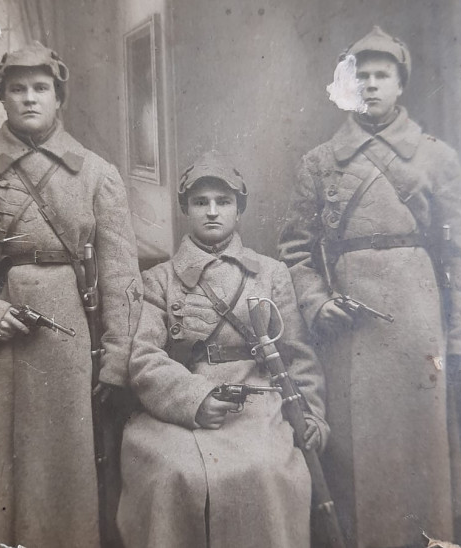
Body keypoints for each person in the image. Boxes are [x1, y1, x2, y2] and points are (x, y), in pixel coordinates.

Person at [0, 42, 142, 548]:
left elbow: (121, 275)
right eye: (17, 89)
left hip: (71, 340)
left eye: (41, 88)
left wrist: (116, 357)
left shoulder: (96, 173)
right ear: (2, 97)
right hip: (0, 338)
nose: (29, 98)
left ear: (58, 97)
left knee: (64, 468)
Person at [278, 26, 461, 548]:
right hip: (351, 328)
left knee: (420, 454)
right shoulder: (319, 162)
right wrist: (317, 303)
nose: (370, 85)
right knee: (357, 460)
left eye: (381, 75)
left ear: (400, 83)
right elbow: (295, 251)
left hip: (418, 327)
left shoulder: (437, 158)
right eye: (360, 76)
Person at [115, 151, 329, 548]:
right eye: (201, 202)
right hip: (178, 412)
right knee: (172, 473)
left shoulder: (271, 273)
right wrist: (195, 399)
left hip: (258, 405)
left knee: (266, 469)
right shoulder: (159, 279)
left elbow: (298, 354)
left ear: (239, 209)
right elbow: (144, 357)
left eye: (223, 201)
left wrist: (312, 414)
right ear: (185, 209)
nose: (212, 212)